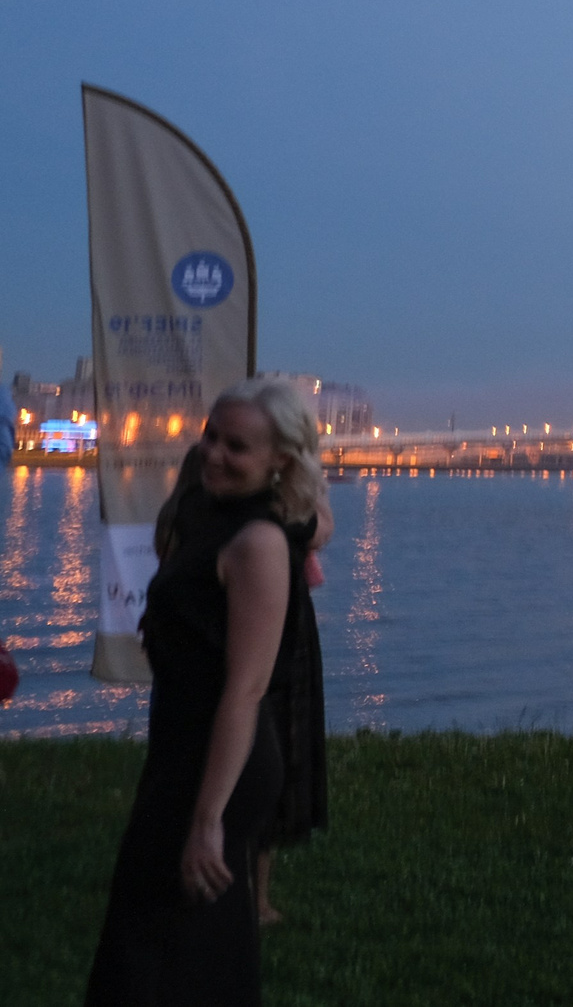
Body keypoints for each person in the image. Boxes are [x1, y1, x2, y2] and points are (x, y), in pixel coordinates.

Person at [87, 377, 324, 1006]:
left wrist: (208, 820)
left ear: (280, 461)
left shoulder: (259, 544)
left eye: (236, 447)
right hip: (181, 749)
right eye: (211, 437)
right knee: (188, 934)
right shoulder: (207, 514)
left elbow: (245, 691)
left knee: (156, 935)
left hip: (219, 765)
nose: (215, 453)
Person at [255, 488, 331, 927]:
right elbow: (321, 528)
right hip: (281, 629)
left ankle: (252, 897)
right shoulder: (282, 508)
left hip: (282, 623)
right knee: (272, 748)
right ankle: (255, 901)